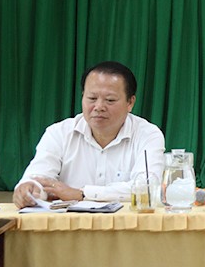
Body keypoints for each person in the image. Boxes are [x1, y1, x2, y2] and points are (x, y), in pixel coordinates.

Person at [13, 61, 166, 208]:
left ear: (130, 102)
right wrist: (30, 190)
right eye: (92, 98)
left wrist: (82, 194)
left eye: (110, 100)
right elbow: (38, 178)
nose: (99, 107)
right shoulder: (59, 133)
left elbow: (148, 189)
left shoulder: (148, 135)